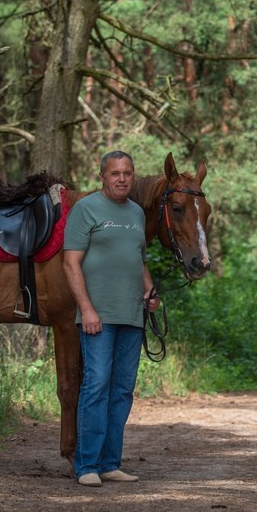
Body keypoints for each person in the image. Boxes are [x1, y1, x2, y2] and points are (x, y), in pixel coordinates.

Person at [63, 151, 161, 488]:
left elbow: (139, 260)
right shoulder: (85, 209)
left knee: (122, 390)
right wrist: (87, 309)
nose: (122, 178)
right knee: (97, 385)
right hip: (98, 317)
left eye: (128, 173)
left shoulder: (136, 213)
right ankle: (86, 465)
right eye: (115, 173)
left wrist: (149, 292)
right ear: (102, 176)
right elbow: (70, 263)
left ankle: (109, 463)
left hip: (132, 315)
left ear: (133, 176)